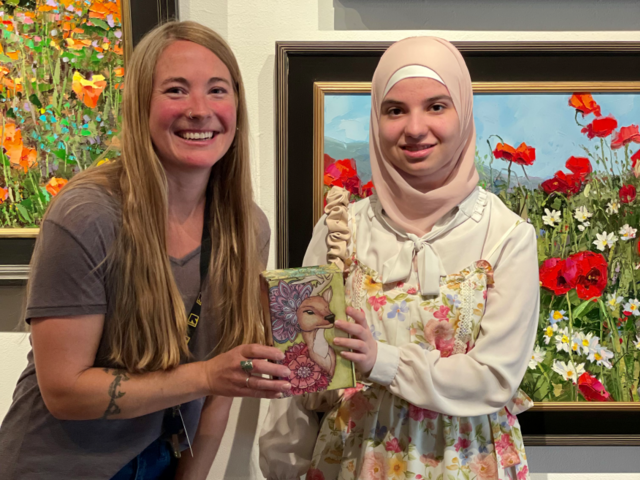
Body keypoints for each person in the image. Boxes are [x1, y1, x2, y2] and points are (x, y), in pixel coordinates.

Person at [0, 21, 291, 480]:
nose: (200, 110)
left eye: (217, 90)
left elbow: (220, 392)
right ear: (140, 105)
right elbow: (65, 391)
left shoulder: (246, 227)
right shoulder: (88, 214)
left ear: (236, 105)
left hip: (161, 462)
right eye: (176, 90)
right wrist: (206, 376)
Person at [259, 36, 539, 480]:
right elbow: (301, 383)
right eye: (395, 110)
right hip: (352, 462)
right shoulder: (337, 230)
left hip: (466, 464)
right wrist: (283, 469)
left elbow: (494, 377)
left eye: (436, 106)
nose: (414, 127)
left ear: (463, 112)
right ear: (377, 118)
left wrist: (381, 362)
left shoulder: (506, 236)